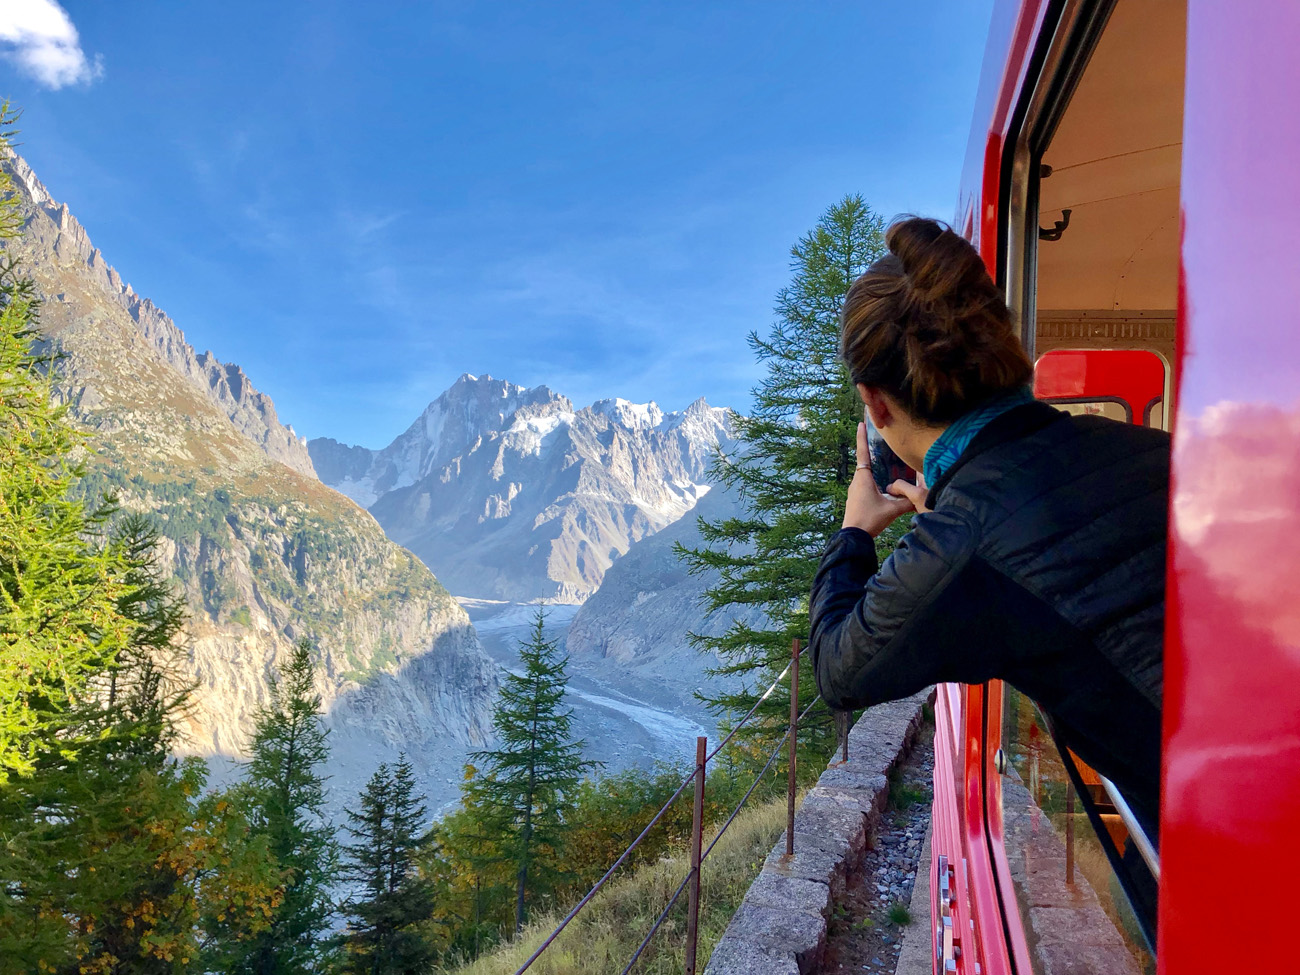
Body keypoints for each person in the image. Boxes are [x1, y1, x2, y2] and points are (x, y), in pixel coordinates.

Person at [808, 216, 1168, 837]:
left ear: (876, 402)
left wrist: (855, 533)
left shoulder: (962, 540)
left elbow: (839, 670)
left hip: (1241, 845)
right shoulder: (1140, 445)